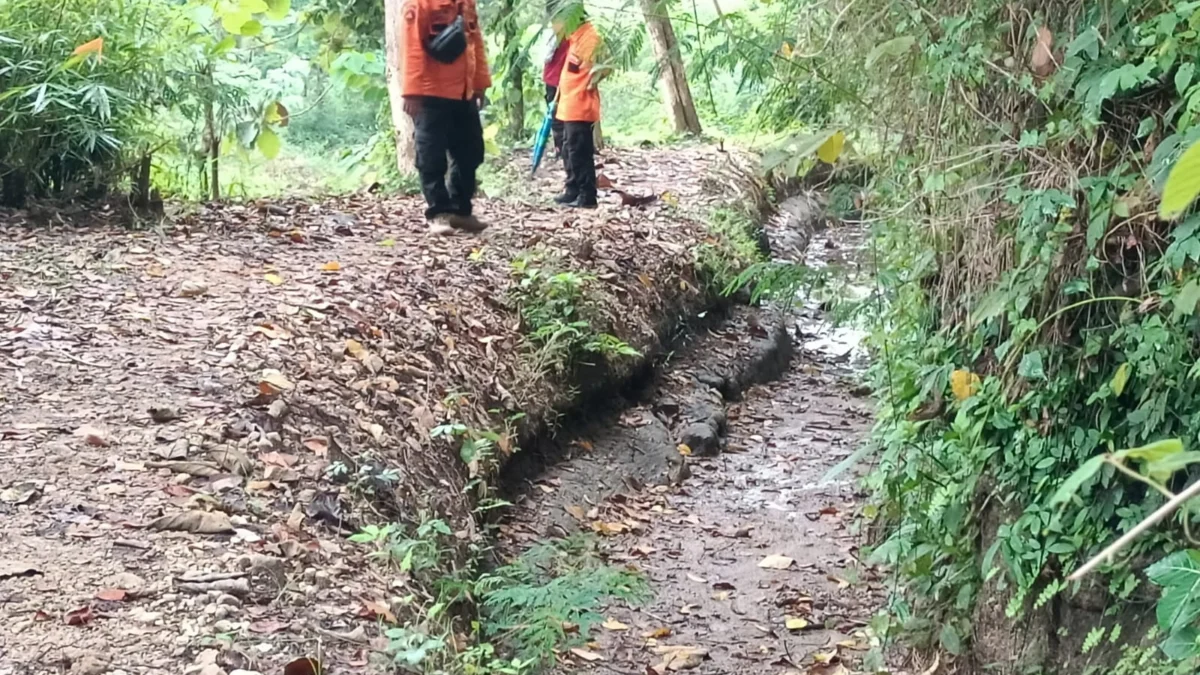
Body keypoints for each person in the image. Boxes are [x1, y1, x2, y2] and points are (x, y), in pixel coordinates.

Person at [400, 0, 491, 234]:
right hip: (431, 93)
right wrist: (411, 92)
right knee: (431, 156)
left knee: (470, 153)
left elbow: (475, 43)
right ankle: (439, 212)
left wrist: (480, 83)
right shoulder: (420, 5)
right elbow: (411, 48)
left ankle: (461, 210)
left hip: (464, 92)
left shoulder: (466, 4)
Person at [552, 5, 609, 209]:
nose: (554, 27)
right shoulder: (575, 38)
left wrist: (592, 83)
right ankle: (573, 189)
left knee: (580, 152)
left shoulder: (589, 38)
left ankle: (587, 196)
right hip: (568, 106)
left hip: (580, 106)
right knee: (569, 149)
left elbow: (606, 64)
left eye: (555, 22)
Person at [542, 28, 569, 157]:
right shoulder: (574, 30)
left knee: (555, 114)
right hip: (569, 78)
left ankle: (560, 148)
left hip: (554, 77)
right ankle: (567, 147)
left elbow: (546, 56)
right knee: (567, 113)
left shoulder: (554, 31)